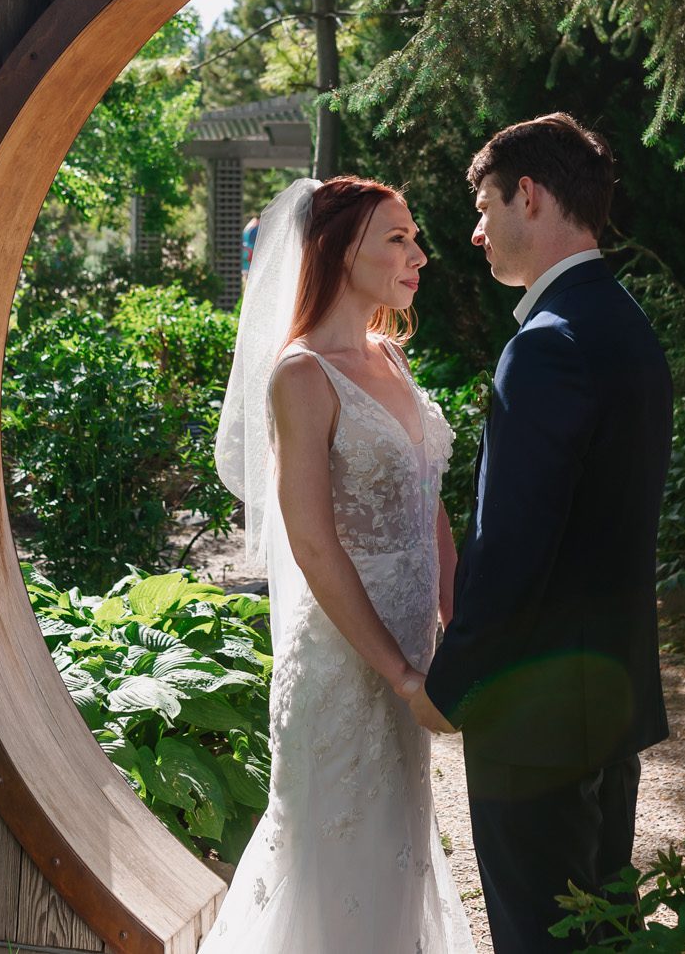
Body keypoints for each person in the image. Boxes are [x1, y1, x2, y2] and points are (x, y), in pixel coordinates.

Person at [413, 114, 674, 953]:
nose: (477, 230)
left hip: (538, 720)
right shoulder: (626, 325)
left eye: (487, 205)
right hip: (611, 702)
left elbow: (512, 549)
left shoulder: (547, 346)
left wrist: (446, 686)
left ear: (530, 194)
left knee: (542, 940)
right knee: (600, 933)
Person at [204, 175, 477, 954]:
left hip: (415, 654)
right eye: (397, 237)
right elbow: (312, 541)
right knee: (335, 861)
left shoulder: (391, 356)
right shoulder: (302, 376)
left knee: (399, 850)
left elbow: (428, 500)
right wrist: (398, 673)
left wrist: (459, 621)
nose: (419, 253)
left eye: (414, 237)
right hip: (346, 661)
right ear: (337, 249)